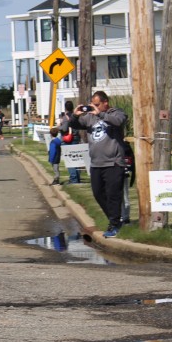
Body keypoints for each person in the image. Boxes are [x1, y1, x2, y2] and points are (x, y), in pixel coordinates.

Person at [70, 90, 128, 238]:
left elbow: (118, 121)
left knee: (113, 194)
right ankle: (115, 219)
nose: (94, 107)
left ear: (105, 103)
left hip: (113, 162)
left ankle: (114, 224)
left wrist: (101, 114)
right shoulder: (90, 117)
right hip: (96, 163)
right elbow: (74, 125)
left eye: (97, 104)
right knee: (98, 193)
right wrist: (75, 116)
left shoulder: (116, 113)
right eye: (92, 104)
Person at [58, 101, 82, 184]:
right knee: (76, 159)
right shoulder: (76, 116)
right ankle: (77, 178)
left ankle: (73, 179)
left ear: (65, 108)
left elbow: (64, 128)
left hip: (68, 139)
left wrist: (59, 126)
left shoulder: (66, 117)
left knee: (69, 160)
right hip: (76, 138)